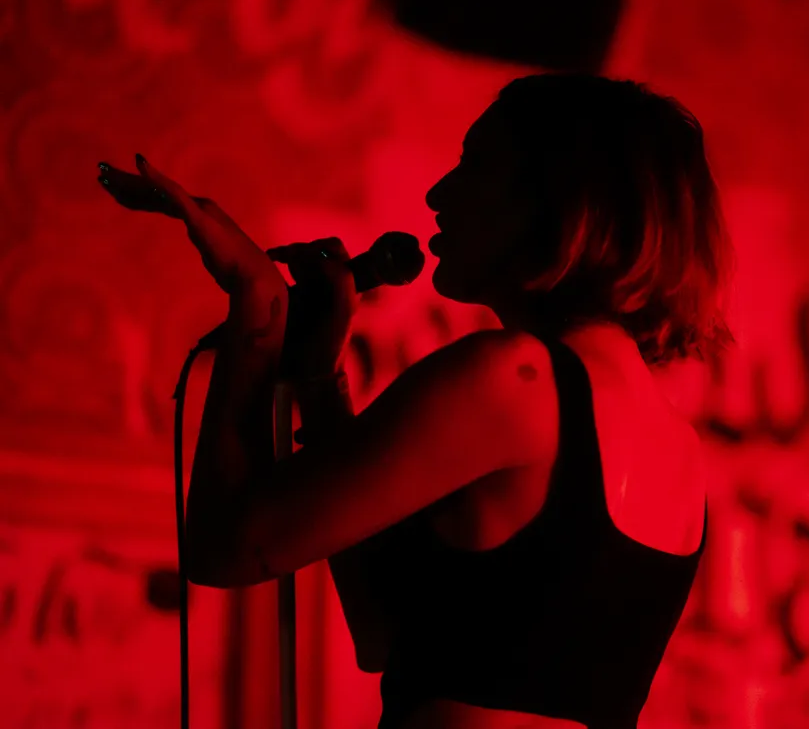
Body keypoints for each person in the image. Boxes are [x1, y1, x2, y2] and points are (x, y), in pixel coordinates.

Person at [97, 73, 734, 729]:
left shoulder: (513, 378)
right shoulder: (679, 447)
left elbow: (228, 545)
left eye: (476, 166)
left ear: (558, 200)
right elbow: (381, 630)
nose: (438, 194)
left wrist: (257, 305)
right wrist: (318, 381)